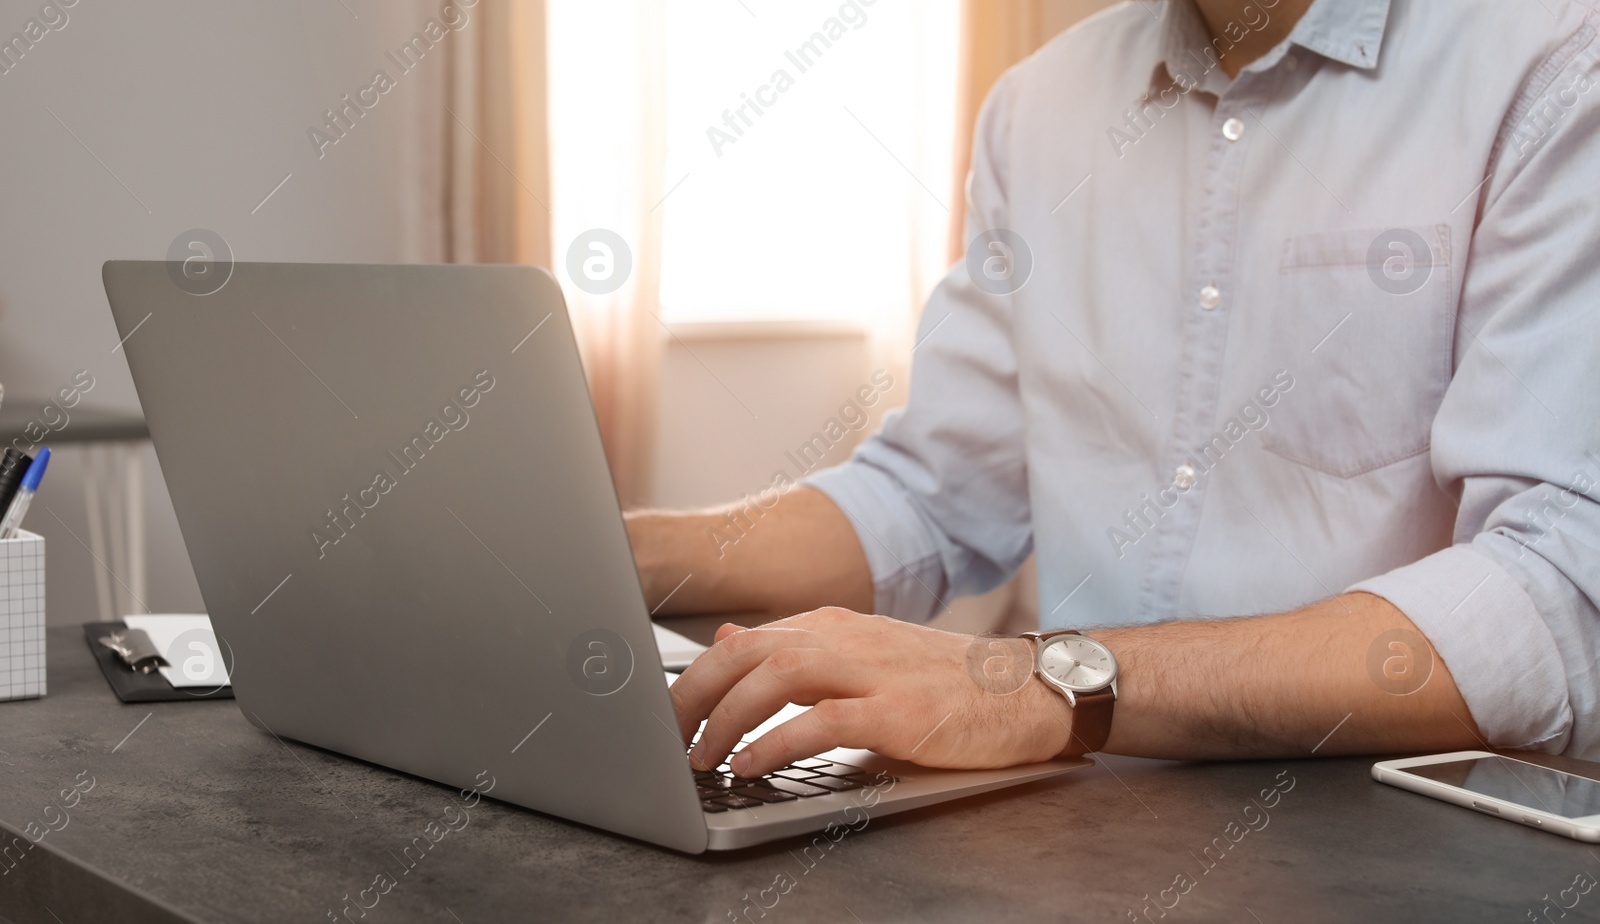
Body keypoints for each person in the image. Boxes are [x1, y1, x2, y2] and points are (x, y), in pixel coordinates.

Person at [627, 0, 1600, 779]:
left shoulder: (1553, 63)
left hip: (1383, 847)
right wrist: (618, 550)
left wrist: (1040, 684)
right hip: (1080, 818)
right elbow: (929, 498)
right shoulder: (1036, 106)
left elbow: (1554, 594)